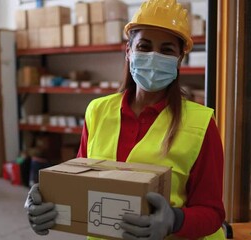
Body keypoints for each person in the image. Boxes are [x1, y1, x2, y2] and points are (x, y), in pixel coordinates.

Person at [24, 0, 226, 239]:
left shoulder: (200, 124)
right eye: (144, 46)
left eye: (167, 50)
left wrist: (175, 220)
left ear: (179, 59)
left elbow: (212, 212)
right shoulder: (97, 111)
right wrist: (44, 201)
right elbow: (80, 180)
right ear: (129, 52)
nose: (153, 57)